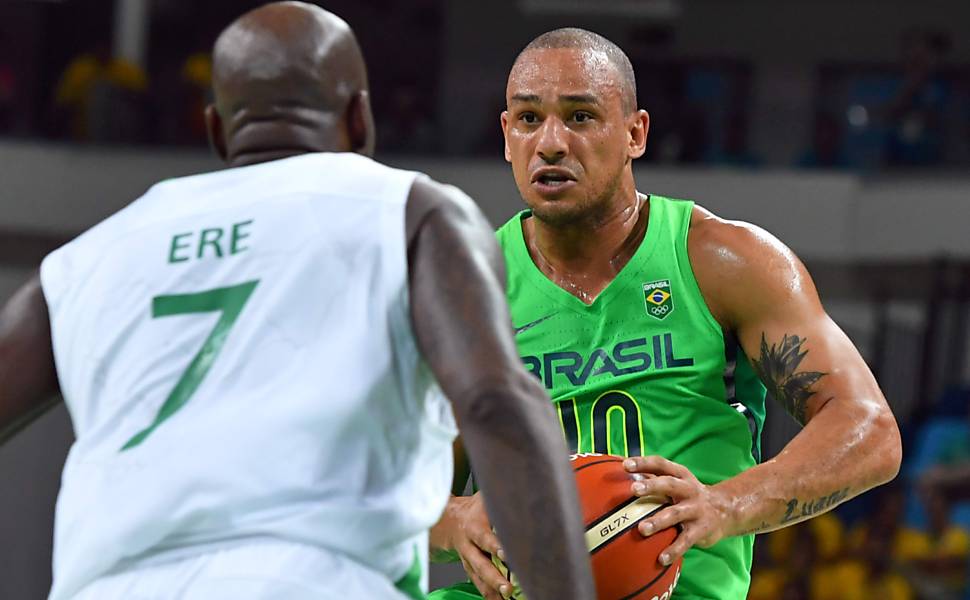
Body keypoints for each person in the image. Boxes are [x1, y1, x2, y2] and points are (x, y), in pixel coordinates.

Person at [0, 5, 595, 600]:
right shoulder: (411, 212)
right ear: (360, 121)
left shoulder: (90, 258)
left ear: (217, 132)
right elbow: (496, 405)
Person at [429, 28, 902, 600]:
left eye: (580, 117)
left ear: (635, 133)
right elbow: (380, 486)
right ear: (507, 136)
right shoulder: (463, 294)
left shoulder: (724, 262)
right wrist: (455, 520)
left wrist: (725, 503)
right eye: (529, 119)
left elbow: (869, 431)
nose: (551, 143)